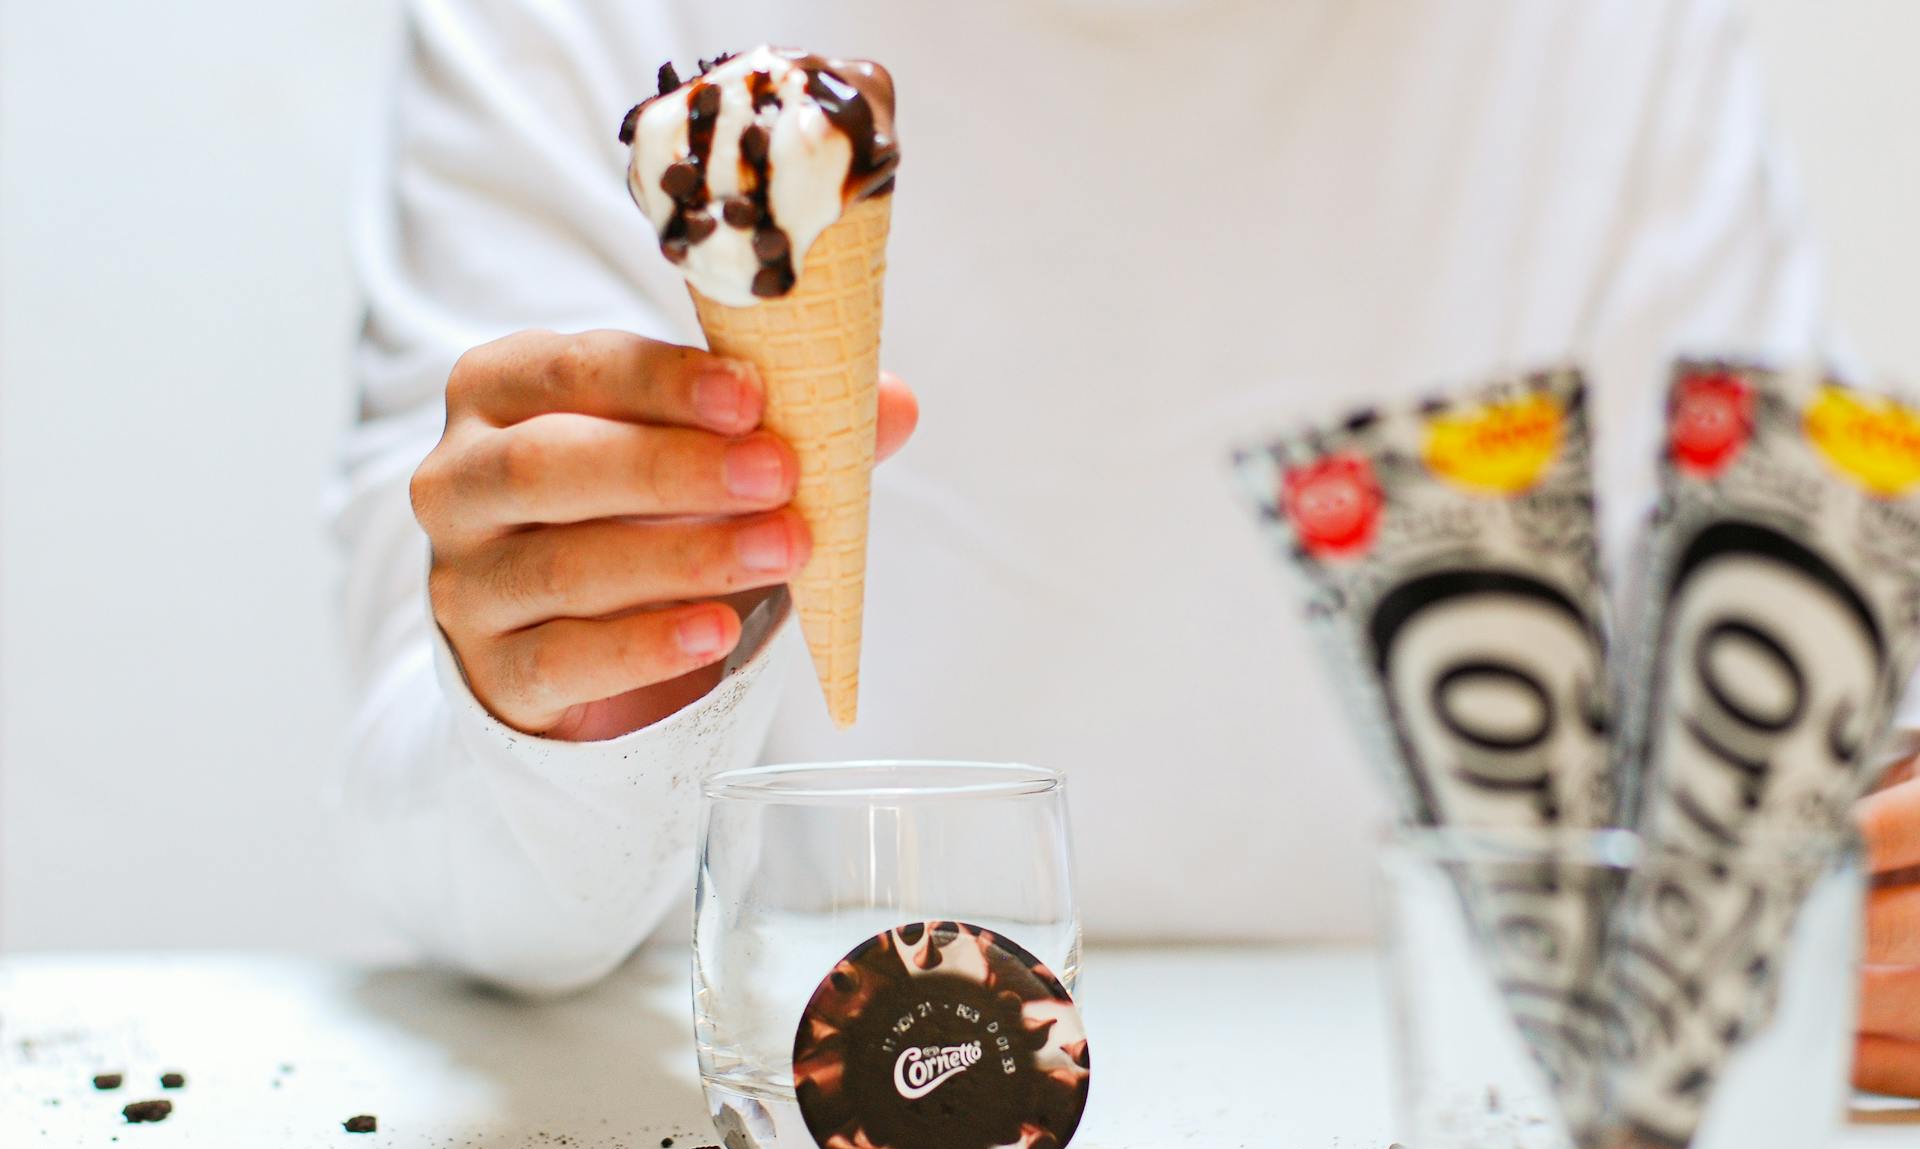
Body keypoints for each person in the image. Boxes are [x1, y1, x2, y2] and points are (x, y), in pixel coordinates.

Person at [337, 0, 1920, 1093]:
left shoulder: (1603, 44)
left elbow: (1782, 719)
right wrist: (563, 708)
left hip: (1472, 1142)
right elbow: (458, 870)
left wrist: (1858, 877)